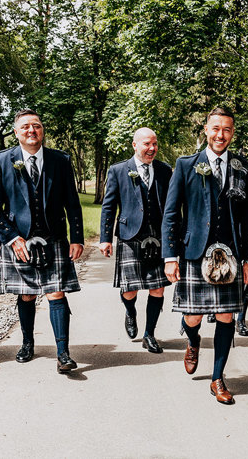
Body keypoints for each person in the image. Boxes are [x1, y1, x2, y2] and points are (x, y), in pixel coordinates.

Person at [162, 107, 248, 404]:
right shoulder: (187, 165)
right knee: (192, 317)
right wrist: (169, 256)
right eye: (216, 128)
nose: (221, 135)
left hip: (231, 254)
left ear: (232, 132)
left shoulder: (244, 167)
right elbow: (170, 214)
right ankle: (193, 342)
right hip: (194, 252)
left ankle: (217, 378)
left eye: (227, 129)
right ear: (206, 129)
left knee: (227, 316)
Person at [0, 109, 84, 373]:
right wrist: (10, 238)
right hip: (20, 240)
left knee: (56, 292)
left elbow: (72, 205)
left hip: (53, 237)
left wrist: (77, 238)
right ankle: (28, 342)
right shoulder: (3, 160)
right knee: (27, 295)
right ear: (16, 132)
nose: (32, 130)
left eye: (37, 126)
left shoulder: (60, 160)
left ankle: (63, 353)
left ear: (43, 130)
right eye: (26, 127)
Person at [99, 128, 172, 353]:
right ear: (135, 145)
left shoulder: (165, 170)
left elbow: (172, 204)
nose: (152, 149)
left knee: (158, 288)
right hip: (130, 235)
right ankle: (130, 311)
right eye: (147, 144)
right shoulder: (119, 170)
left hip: (158, 235)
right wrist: (105, 238)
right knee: (129, 289)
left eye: (155, 144)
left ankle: (149, 334)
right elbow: (109, 206)